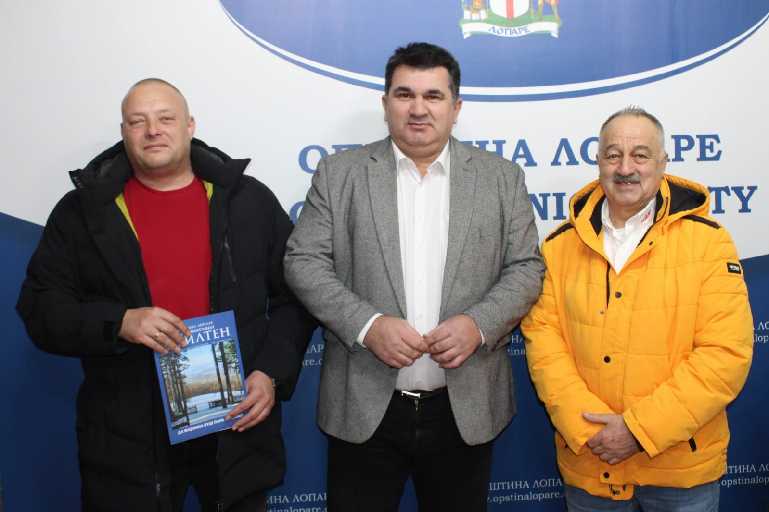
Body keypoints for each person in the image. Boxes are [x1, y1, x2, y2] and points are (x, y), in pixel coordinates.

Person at [16, 78, 315, 512]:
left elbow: (296, 297)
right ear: (124, 132)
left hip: (234, 423)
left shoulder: (247, 200)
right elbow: (40, 307)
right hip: (128, 430)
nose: (153, 130)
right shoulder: (83, 211)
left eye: (165, 118)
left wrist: (270, 373)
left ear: (190, 125)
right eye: (138, 121)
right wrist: (120, 322)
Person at [284, 42, 544, 511]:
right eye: (405, 94)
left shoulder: (501, 178)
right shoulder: (339, 175)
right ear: (385, 103)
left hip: (464, 409)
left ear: (456, 107)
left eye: (433, 96)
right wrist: (368, 326)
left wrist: (478, 325)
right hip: (363, 405)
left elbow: (526, 267)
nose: (418, 109)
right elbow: (303, 261)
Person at [521, 106, 753, 511]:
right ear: (598, 162)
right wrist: (589, 429)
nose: (625, 168)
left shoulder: (709, 243)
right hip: (591, 463)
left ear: (663, 163)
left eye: (640, 155)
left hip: (680, 469)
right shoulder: (559, 247)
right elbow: (544, 346)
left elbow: (725, 355)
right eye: (613, 155)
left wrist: (637, 430)